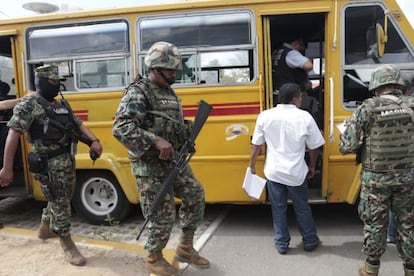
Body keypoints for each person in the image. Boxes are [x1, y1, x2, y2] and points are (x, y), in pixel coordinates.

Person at [112, 41, 209, 275]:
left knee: (195, 196)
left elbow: (171, 125)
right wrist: (155, 140)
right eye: (170, 70)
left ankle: (185, 247)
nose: (174, 73)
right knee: (162, 214)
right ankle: (154, 257)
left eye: (176, 69)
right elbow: (121, 127)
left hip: (174, 161)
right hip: (150, 167)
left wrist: (186, 135)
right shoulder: (139, 92)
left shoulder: (168, 92)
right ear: (154, 69)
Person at [0, 64, 103, 266]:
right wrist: (7, 168)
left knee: (61, 197)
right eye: (52, 82)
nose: (56, 85)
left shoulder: (61, 105)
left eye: (58, 82)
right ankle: (66, 242)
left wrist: (95, 140)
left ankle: (46, 226)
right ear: (41, 82)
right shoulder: (29, 105)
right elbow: (13, 134)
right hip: (48, 162)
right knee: (61, 201)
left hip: (66, 159)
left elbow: (77, 123)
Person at [339, 64, 414, 276]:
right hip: (407, 177)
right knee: (408, 224)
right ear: (398, 83)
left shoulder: (367, 108)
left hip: (376, 180)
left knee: (375, 224)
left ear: (376, 86)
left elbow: (347, 146)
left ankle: (371, 270)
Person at [248, 82, 325, 255]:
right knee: (302, 207)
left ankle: (282, 243)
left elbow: (256, 145)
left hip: (274, 172)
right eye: (300, 97)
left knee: (278, 208)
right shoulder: (304, 117)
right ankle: (310, 241)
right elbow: (314, 147)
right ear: (295, 99)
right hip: (296, 173)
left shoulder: (265, 116)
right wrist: (312, 166)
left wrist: (251, 165)